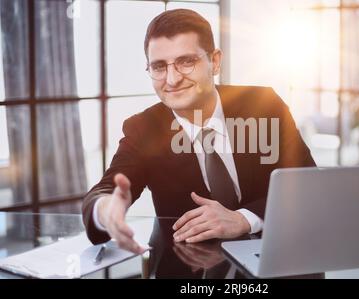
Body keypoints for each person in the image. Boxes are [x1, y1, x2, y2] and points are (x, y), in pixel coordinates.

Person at [82, 9, 315, 254]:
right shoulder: (143, 128)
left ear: (214, 61)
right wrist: (106, 211)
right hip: (188, 266)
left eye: (186, 62)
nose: (172, 80)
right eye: (159, 66)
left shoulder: (264, 104)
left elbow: (307, 183)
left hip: (276, 257)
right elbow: (104, 190)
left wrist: (244, 219)